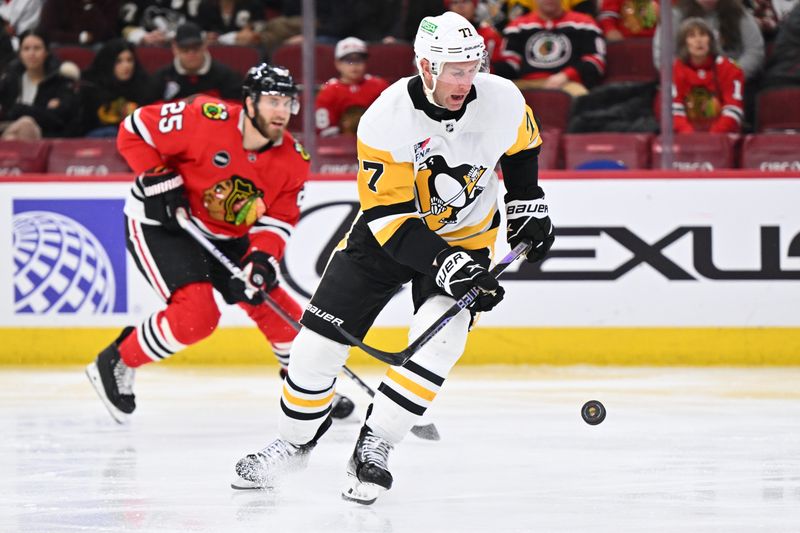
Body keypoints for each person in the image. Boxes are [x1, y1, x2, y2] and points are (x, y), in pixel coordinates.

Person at [231, 11, 555, 505]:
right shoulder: (385, 118)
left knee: (440, 345)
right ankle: (294, 444)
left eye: (472, 66)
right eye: (454, 69)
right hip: (389, 237)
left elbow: (521, 150)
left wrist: (528, 207)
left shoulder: (503, 97)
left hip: (468, 236)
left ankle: (375, 444)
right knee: (315, 350)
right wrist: (450, 266)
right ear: (426, 67)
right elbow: (392, 222)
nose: (466, 80)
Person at [85, 63, 354, 425]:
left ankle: (305, 388)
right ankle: (117, 359)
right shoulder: (202, 119)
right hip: (165, 225)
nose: (281, 112)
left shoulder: (293, 160)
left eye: (288, 103)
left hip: (228, 235)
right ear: (249, 101)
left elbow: (277, 221)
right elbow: (133, 130)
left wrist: (260, 259)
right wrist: (157, 175)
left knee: (281, 312)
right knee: (196, 318)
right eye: (273, 101)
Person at [494, 0, 606, 96]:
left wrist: (566, 75)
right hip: (525, 83)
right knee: (500, 97)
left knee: (581, 97)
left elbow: (595, 60)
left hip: (568, 84)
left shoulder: (584, 23)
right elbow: (510, 63)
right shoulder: (517, 26)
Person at [652, 0, 765, 81]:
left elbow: (754, 51)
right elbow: (663, 56)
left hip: (732, 82)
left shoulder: (739, 14)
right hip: (686, 84)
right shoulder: (675, 15)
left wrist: (731, 75)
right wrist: (691, 77)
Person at [0, 29, 80, 140]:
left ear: (46, 52)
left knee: (26, 125)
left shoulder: (61, 81)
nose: (31, 54)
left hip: (44, 139)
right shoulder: (10, 79)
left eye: (37, 48)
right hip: (7, 131)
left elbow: (58, 120)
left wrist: (19, 110)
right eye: (26, 49)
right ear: (20, 54)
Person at [670, 17, 745, 133]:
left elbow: (733, 109)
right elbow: (674, 111)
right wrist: (690, 136)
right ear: (684, 43)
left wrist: (712, 137)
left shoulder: (729, 68)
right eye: (692, 36)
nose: (698, 40)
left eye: (703, 35)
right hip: (686, 137)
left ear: (710, 40)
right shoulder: (676, 69)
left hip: (722, 138)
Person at [150, 22, 243, 103]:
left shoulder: (226, 76)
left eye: (196, 48)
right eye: (185, 49)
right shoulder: (162, 77)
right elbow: (148, 110)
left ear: (204, 46)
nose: (191, 53)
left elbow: (237, 108)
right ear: (175, 49)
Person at [314, 37, 390, 137]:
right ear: (338, 64)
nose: (354, 65)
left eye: (359, 60)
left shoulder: (380, 86)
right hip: (340, 145)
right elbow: (324, 131)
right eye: (348, 60)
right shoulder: (328, 91)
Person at [79, 38, 154, 137]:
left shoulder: (144, 84)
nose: (126, 66)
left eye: (130, 60)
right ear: (108, 63)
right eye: (119, 61)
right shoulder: (91, 87)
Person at [37, 0, 121, 46]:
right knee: (52, 47)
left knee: (103, 48)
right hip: (62, 44)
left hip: (97, 45)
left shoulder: (109, 2)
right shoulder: (56, 2)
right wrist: (80, 38)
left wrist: (90, 6)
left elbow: (109, 32)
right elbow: (46, 32)